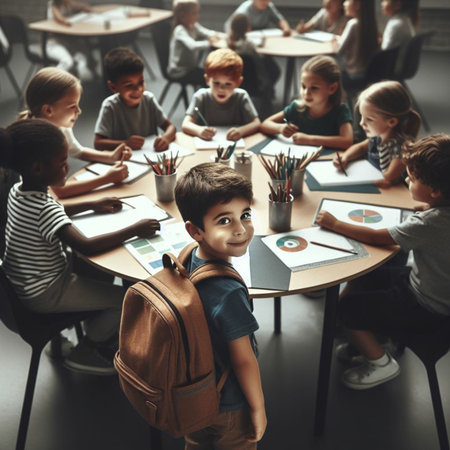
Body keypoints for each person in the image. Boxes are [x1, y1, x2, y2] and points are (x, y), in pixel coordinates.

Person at [0, 119, 160, 375]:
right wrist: (134, 229)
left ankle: (96, 326)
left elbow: (54, 212)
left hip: (25, 286)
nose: (68, 166)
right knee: (129, 301)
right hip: (48, 292)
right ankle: (87, 349)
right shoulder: (45, 208)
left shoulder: (18, 191)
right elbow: (86, 246)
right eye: (63, 162)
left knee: (100, 276)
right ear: (38, 168)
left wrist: (90, 205)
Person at [315, 133, 450, 389]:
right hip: (438, 296)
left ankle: (379, 361)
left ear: (434, 191)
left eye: (412, 177)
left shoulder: (429, 224)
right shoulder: (439, 213)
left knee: (345, 309)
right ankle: (378, 339)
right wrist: (431, 207)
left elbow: (380, 237)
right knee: (371, 275)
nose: (407, 180)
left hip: (425, 306)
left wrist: (335, 223)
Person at [175, 162, 266, 448]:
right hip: (228, 406)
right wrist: (258, 408)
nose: (241, 229)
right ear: (195, 230)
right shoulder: (228, 292)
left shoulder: (189, 254)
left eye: (246, 215)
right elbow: (243, 359)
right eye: (225, 221)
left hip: (193, 395)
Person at [19, 67, 132, 198]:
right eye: (72, 106)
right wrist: (107, 179)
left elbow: (77, 151)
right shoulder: (40, 141)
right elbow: (61, 190)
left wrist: (110, 156)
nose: (79, 111)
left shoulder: (60, 125)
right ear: (48, 110)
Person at [334, 80, 421, 188]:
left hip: (395, 192)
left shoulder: (402, 148)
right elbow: (360, 148)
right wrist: (345, 158)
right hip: (374, 182)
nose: (361, 123)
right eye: (362, 116)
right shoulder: (377, 138)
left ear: (392, 122)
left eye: (369, 119)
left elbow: (388, 176)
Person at [260, 55, 353, 149]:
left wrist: (309, 139)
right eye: (303, 86)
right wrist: (280, 128)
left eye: (314, 88)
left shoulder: (340, 111)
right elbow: (265, 124)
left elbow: (347, 141)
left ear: (332, 88)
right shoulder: (297, 107)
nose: (306, 93)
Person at [94, 47, 176, 152]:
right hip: (124, 160)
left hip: (152, 158)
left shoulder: (148, 99)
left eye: (141, 82)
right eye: (129, 85)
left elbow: (170, 127)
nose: (138, 89)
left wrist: (166, 138)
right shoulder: (110, 106)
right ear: (113, 87)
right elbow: (98, 143)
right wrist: (126, 143)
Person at [182, 48, 261, 141]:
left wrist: (241, 131)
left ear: (238, 82)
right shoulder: (201, 96)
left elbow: (256, 123)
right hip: (207, 144)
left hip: (234, 145)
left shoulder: (242, 96)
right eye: (216, 83)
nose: (221, 89)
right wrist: (199, 130)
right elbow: (185, 124)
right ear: (207, 80)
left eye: (228, 84)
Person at [167, 0, 222, 87]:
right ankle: (203, 99)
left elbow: (206, 32)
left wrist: (218, 35)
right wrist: (209, 43)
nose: (197, 16)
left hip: (190, 68)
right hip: (180, 71)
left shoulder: (193, 25)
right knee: (210, 78)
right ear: (183, 15)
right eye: (194, 13)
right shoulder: (180, 30)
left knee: (211, 74)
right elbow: (192, 46)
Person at [46, 0, 97, 81]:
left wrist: (79, 7)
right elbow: (60, 19)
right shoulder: (54, 6)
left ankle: (83, 85)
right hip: (54, 43)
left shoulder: (67, 4)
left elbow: (84, 7)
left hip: (68, 42)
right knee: (67, 62)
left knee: (83, 57)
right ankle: (52, 83)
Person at [335, 0, 379, 83]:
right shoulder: (371, 23)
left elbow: (339, 51)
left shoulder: (353, 24)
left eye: (347, 0)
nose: (344, 4)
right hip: (367, 73)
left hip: (353, 74)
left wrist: (337, 41)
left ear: (357, 5)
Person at [224, 0, 291, 36]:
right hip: (246, 42)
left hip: (261, 39)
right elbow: (231, 28)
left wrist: (286, 29)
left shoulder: (268, 7)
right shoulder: (244, 11)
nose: (266, 2)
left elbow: (280, 20)